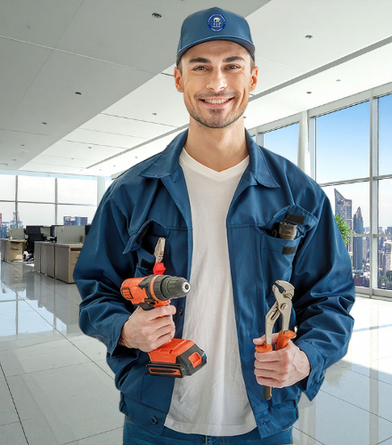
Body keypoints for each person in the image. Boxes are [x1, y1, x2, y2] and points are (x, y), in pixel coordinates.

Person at [74, 7, 355, 445]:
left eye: (232, 66)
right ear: (179, 79)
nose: (217, 83)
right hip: (157, 422)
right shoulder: (131, 191)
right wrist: (126, 329)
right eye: (201, 66)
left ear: (253, 77)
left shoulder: (299, 195)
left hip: (262, 422)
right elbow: (96, 288)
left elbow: (331, 298)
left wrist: (306, 357)